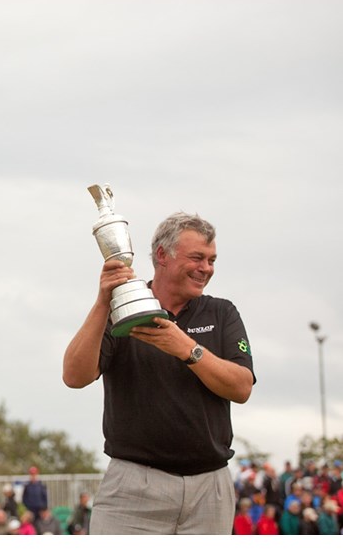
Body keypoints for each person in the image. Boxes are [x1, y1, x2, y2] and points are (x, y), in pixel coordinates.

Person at [63, 211, 255, 534]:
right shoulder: (123, 311)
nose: (206, 268)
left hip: (210, 489)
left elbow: (242, 387)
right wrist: (102, 302)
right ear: (162, 256)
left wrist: (187, 349)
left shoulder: (222, 312)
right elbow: (74, 376)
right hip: (133, 488)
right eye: (197, 257)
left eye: (211, 260)